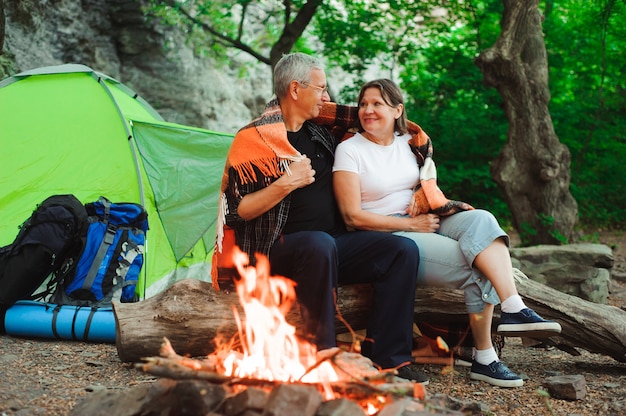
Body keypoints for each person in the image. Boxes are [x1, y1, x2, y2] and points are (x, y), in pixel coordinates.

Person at [332, 78, 562, 388]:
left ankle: (513, 307)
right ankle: (485, 357)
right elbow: (351, 217)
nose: (368, 110)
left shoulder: (411, 143)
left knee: (482, 220)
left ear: (397, 109)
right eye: (363, 104)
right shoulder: (349, 150)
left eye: (377, 104)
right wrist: (410, 225)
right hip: (388, 236)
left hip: (426, 217)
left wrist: (424, 204)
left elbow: (428, 183)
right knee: (478, 264)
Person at [212, 55, 428, 383]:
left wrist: (418, 151)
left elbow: (369, 117)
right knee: (318, 243)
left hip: (330, 244)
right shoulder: (254, 139)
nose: (326, 97)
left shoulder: (321, 131)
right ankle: (321, 353)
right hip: (273, 250)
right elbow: (239, 211)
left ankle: (389, 358)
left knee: (401, 251)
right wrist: (286, 182)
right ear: (296, 89)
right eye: (321, 88)